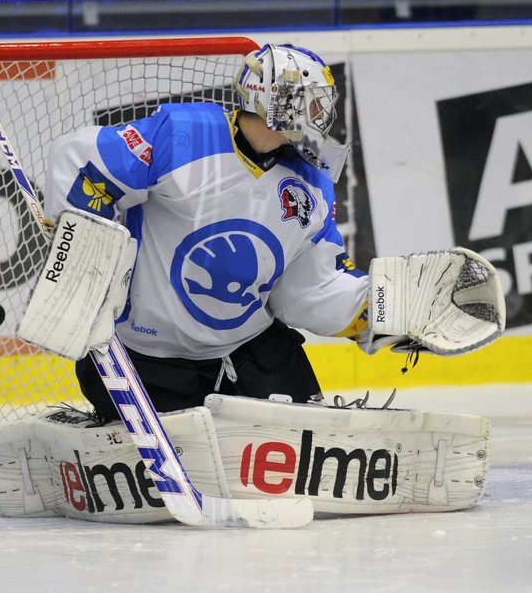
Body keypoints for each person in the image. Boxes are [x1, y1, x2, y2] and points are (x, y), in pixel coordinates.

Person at [43, 43, 366, 421]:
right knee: (171, 470)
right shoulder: (181, 137)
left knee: (300, 457)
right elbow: (81, 159)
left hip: (248, 351)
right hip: (147, 356)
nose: (322, 116)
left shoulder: (312, 184)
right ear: (280, 100)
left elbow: (310, 288)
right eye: (313, 103)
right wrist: (84, 256)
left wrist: (380, 312)